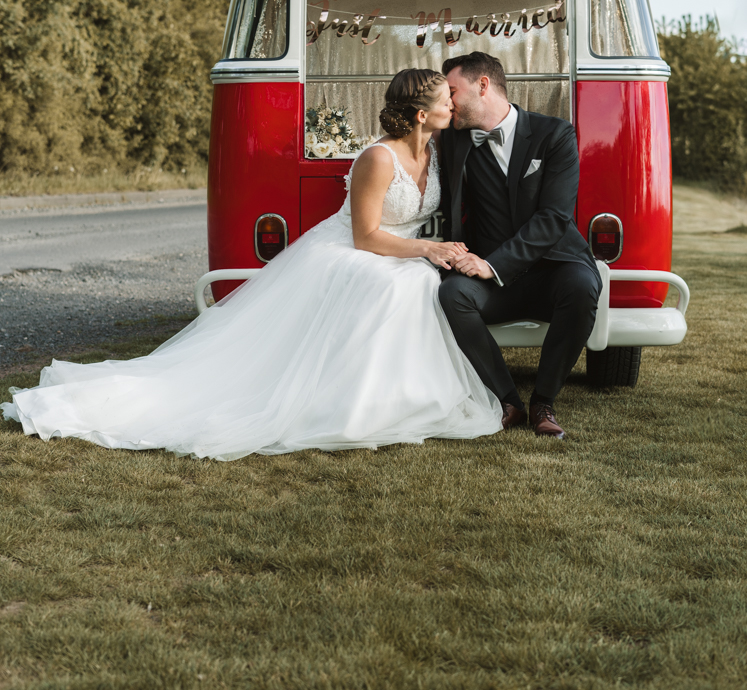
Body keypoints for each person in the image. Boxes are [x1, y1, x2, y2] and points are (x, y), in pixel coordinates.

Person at [2, 70, 503, 460]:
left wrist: (442, 249)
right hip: (351, 250)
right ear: (419, 114)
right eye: (444, 100)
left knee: (416, 281)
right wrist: (429, 250)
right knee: (404, 282)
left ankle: (402, 397)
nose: (452, 104)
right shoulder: (377, 159)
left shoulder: (438, 151)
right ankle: (352, 405)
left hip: (398, 251)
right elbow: (366, 235)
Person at [438, 51, 602, 440]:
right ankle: (507, 401)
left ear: (483, 86)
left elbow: (555, 217)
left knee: (582, 286)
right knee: (453, 294)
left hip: (554, 269)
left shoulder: (555, 134)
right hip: (493, 282)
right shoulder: (451, 140)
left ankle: (543, 401)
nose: (447, 103)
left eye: (452, 92)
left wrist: (492, 265)